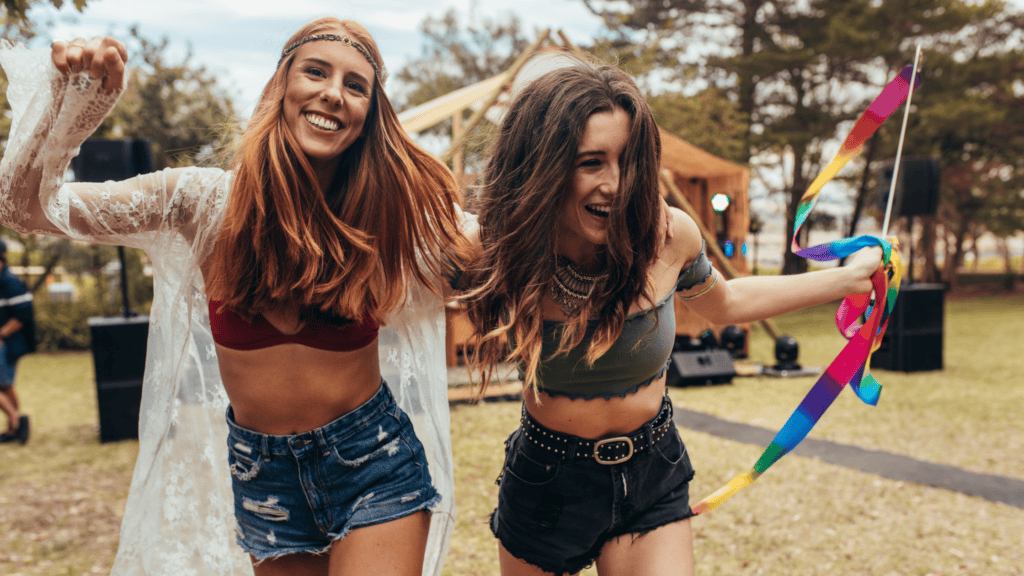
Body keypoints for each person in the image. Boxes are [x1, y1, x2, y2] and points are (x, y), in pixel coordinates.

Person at [0, 17, 466, 576]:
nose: (332, 93)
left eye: (355, 84)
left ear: (370, 115)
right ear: (281, 87)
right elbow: (22, 208)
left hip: (372, 461)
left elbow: (506, 245)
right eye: (315, 72)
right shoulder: (200, 204)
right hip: (263, 477)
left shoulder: (387, 214)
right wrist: (71, 110)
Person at [458, 57, 885, 576]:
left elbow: (727, 304)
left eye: (627, 161)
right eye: (591, 162)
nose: (615, 185)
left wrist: (844, 279)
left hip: (651, 472)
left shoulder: (667, 235)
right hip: (548, 484)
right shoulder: (496, 245)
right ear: (545, 165)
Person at [0, 238, 34, 444]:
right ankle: (16, 427)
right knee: (5, 387)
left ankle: (16, 420)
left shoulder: (10, 282)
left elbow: (23, 315)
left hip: (7, 344)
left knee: (4, 386)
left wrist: (1, 335)